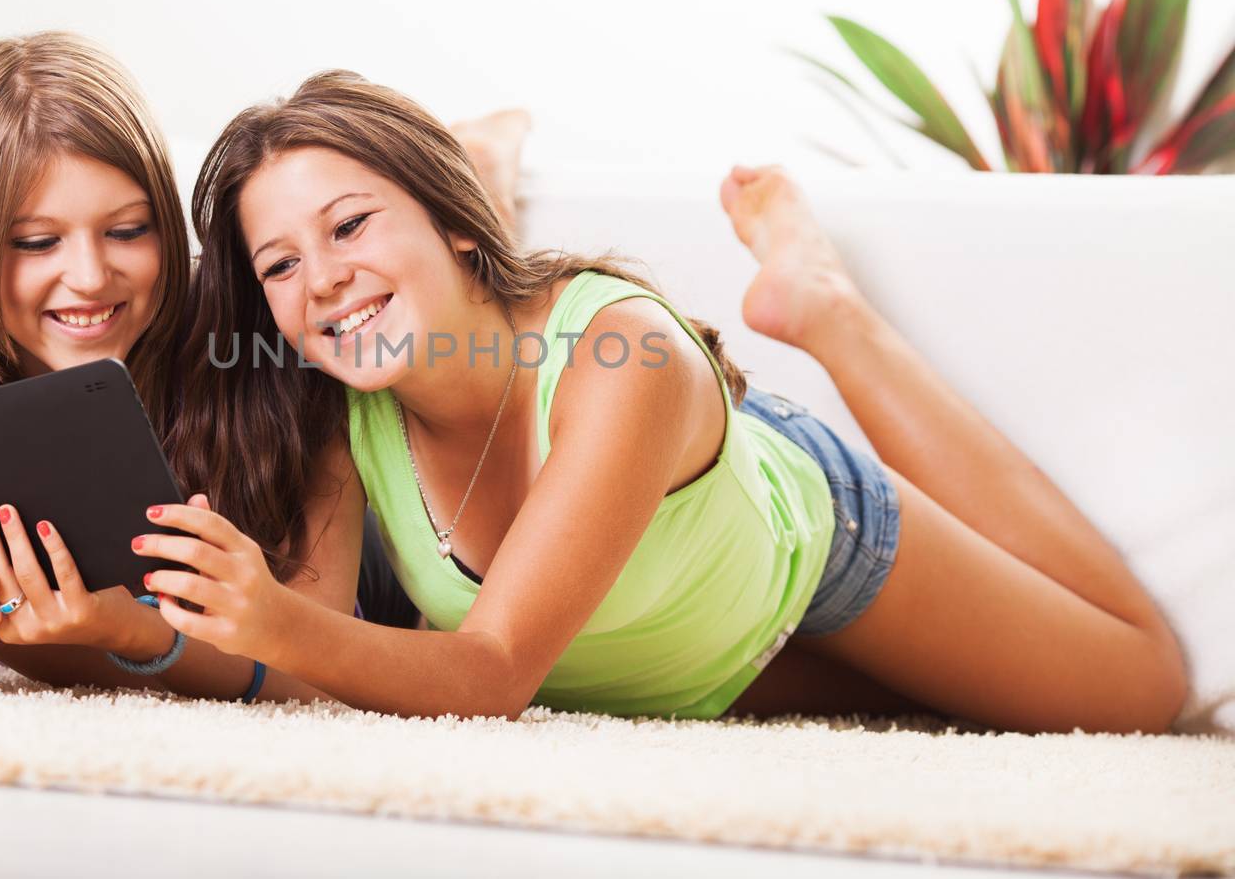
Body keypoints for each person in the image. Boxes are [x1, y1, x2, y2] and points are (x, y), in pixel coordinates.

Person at [135, 70, 1188, 734]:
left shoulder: (623, 352)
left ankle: (823, 307)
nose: (318, 278)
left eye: (351, 223)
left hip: (787, 551)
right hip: (662, 660)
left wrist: (271, 618)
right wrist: (111, 629)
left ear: (449, 218)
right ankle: (480, 158)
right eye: (278, 263)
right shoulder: (334, 399)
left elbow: (491, 672)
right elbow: (318, 665)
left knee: (1137, 688)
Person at [0, 35, 511, 697]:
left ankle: (481, 163)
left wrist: (132, 631)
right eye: (35, 242)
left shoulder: (255, 313)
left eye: (127, 230)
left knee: (463, 264)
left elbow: (314, 666)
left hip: (362, 591)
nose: (88, 276)